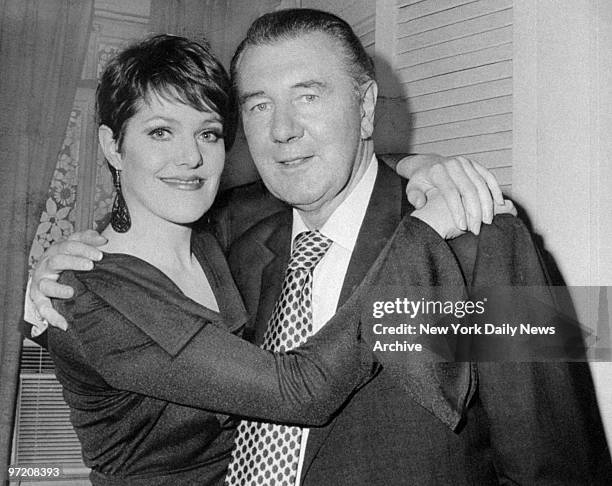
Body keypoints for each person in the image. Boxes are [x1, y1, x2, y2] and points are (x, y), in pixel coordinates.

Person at [22, 33, 508, 485]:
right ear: (112, 145)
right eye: (160, 132)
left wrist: (418, 166)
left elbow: (568, 368)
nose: (190, 158)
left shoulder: (226, 232)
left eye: (209, 133)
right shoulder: (87, 292)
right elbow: (301, 391)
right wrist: (418, 235)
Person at [217, 9, 609, 485]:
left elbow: (558, 469)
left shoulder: (480, 242)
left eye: (308, 96)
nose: (282, 130)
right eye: (259, 106)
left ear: (365, 109)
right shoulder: (239, 247)